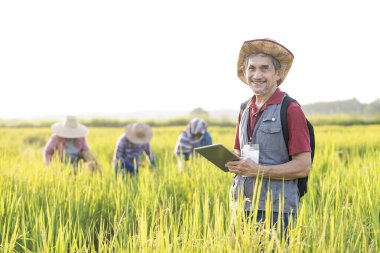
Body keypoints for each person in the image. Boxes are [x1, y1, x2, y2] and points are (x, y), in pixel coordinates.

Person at [226, 38, 312, 231]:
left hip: (277, 211)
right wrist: (232, 162)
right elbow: (239, 152)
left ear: (278, 74)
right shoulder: (244, 109)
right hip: (241, 205)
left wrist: (258, 170)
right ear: (244, 71)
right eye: (252, 68)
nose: (257, 75)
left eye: (264, 68)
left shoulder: (290, 109)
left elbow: (303, 166)